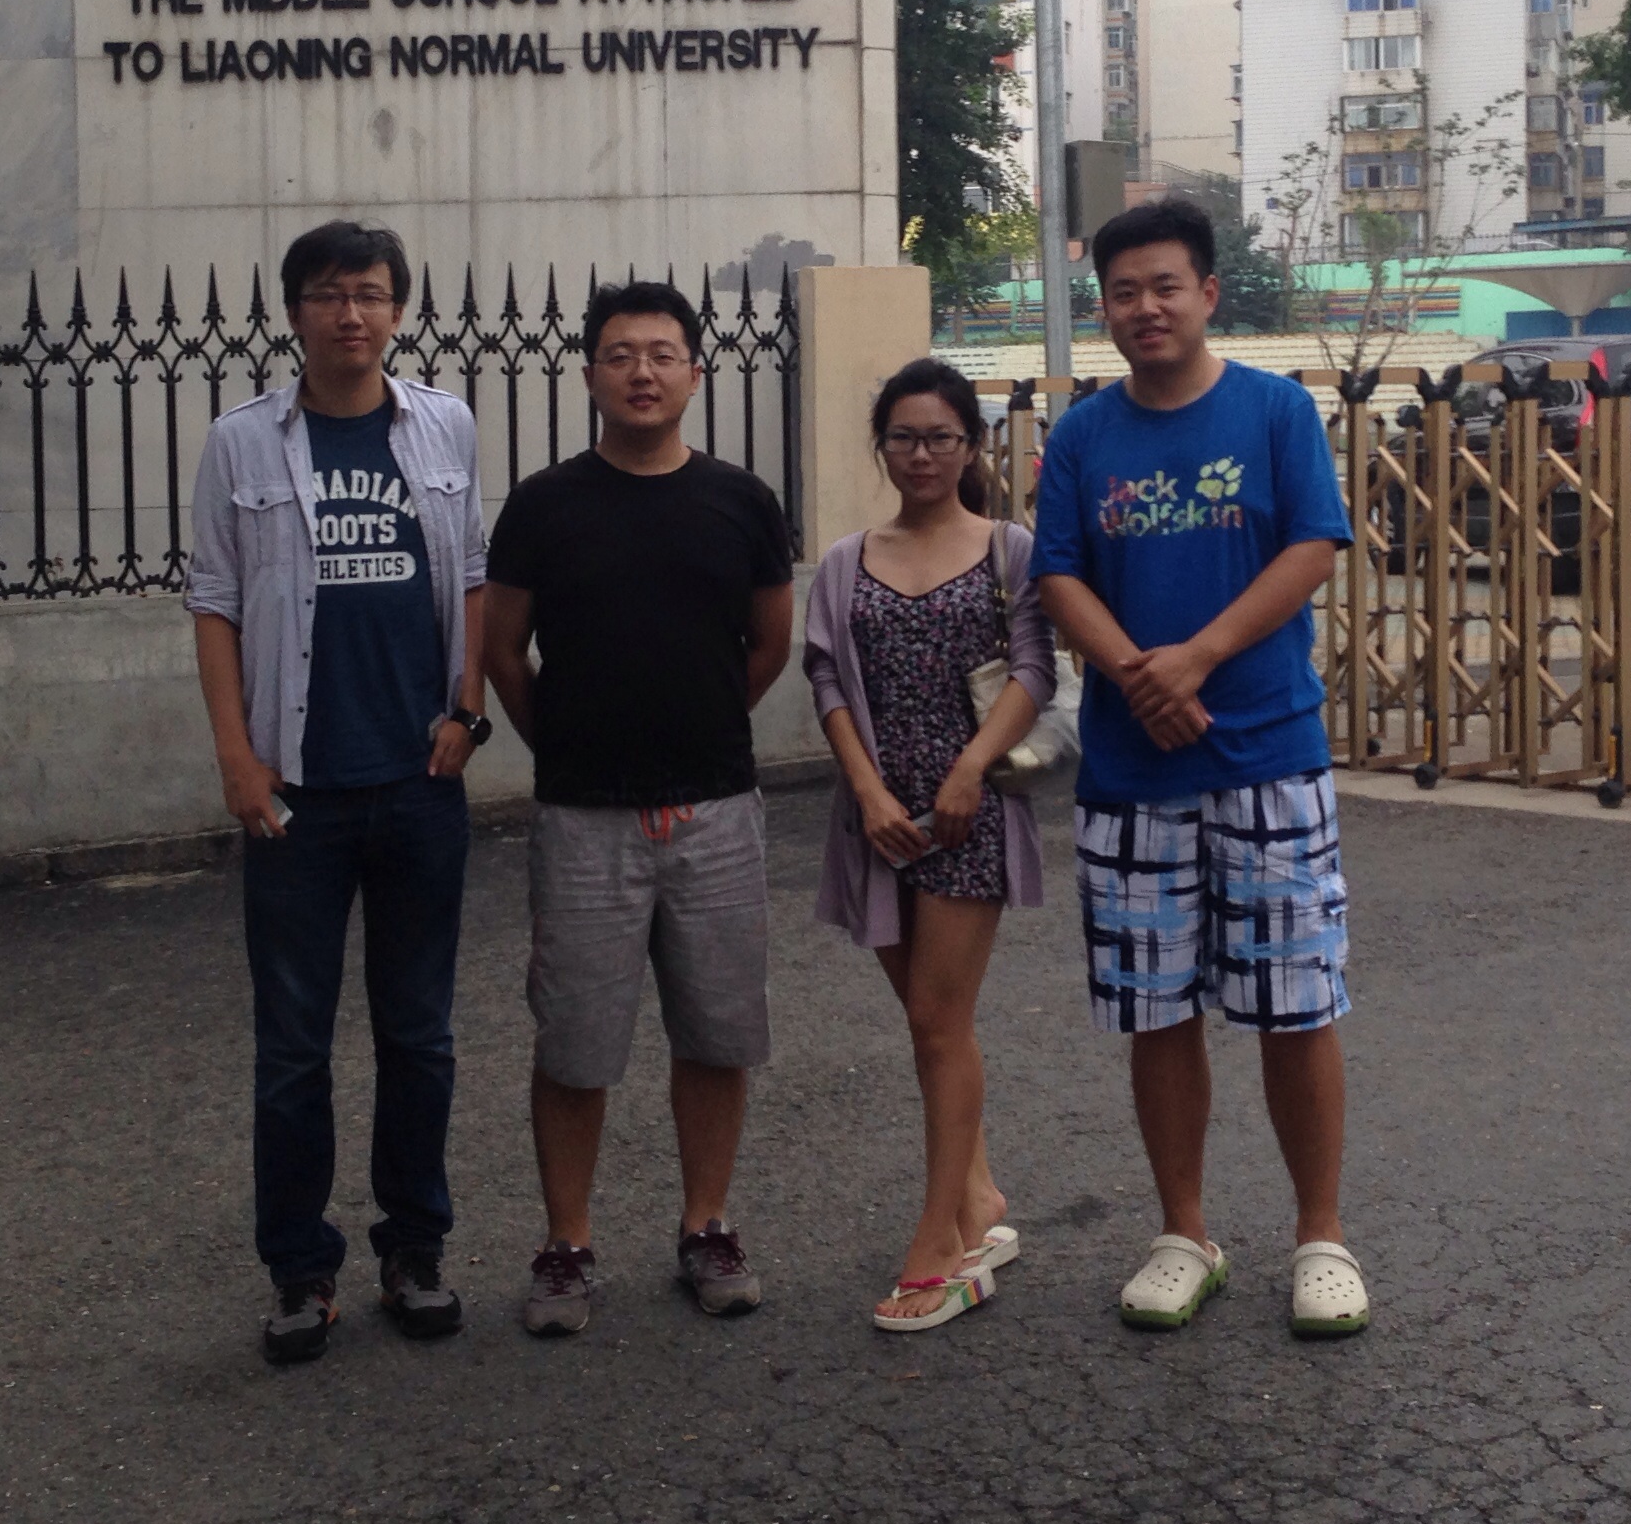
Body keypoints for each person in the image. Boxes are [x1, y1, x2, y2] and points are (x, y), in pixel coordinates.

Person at [1031, 196, 1371, 1340]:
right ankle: (1185, 1233)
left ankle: (1320, 1237)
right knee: (1157, 1008)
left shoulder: (1275, 411)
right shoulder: (1083, 437)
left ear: (1209, 293)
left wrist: (1199, 657)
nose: (1145, 308)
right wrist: (1138, 674)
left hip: (1268, 751)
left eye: (1165, 286)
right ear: (1104, 308)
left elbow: (1313, 546)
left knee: (1295, 1004)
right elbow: (1059, 574)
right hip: (1133, 771)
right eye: (1123, 292)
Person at [187, 220, 491, 1366]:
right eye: (327, 294)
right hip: (296, 797)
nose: (349, 313)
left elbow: (472, 578)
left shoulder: (445, 424)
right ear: (294, 312)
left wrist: (466, 713)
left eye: (368, 293)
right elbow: (213, 602)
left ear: (398, 309)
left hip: (417, 786)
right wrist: (236, 755)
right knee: (292, 1050)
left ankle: (415, 1251)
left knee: (420, 1037)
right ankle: (300, 1270)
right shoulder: (241, 443)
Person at [483, 279, 796, 1336]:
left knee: (715, 1032)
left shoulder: (742, 502)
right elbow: (503, 652)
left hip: (716, 812)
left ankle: (706, 1225)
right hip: (583, 818)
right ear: (590, 375)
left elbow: (769, 644)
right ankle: (566, 1244)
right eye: (620, 355)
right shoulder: (544, 505)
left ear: (695, 374)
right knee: (574, 1041)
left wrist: (692, 739)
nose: (642, 373)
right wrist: (573, 751)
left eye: (663, 354)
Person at [802, 359, 1057, 1332]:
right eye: (904, 437)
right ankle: (979, 1197)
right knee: (926, 1020)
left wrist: (970, 770)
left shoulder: (1008, 549)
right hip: (879, 821)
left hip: (966, 816)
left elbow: (1033, 670)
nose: (921, 454)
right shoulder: (846, 559)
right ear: (883, 446)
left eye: (940, 437)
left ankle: (942, 1243)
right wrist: (867, 791)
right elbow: (828, 678)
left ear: (971, 445)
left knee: (939, 1021)